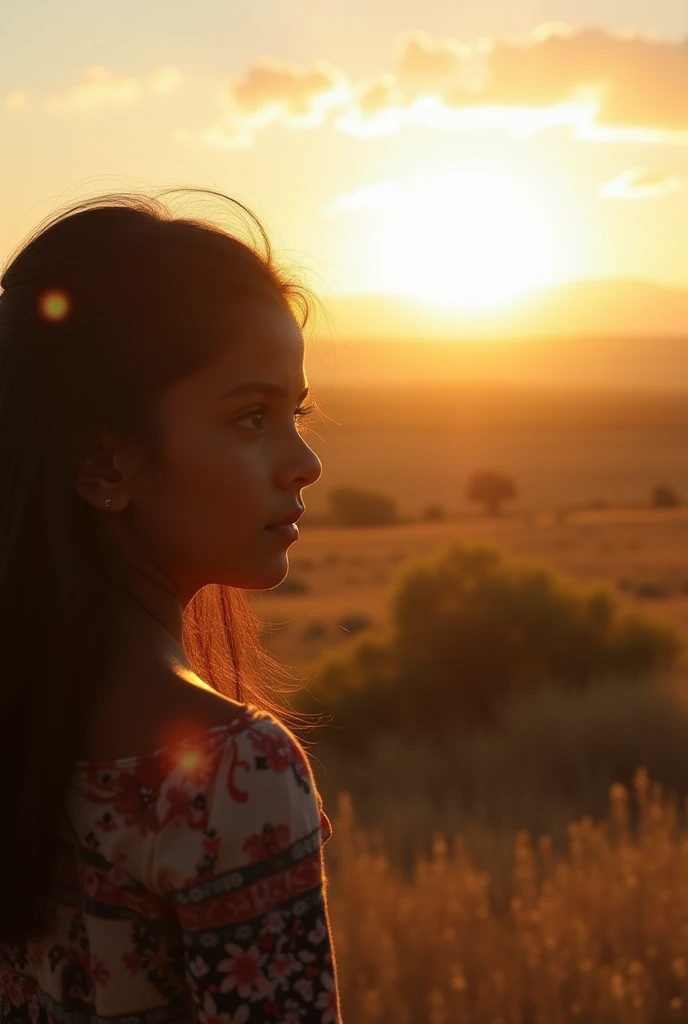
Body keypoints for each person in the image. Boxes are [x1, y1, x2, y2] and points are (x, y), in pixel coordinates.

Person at [0, 187, 342, 1022]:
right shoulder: (233, 778)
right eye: (251, 417)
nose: (305, 463)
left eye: (295, 412)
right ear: (106, 467)